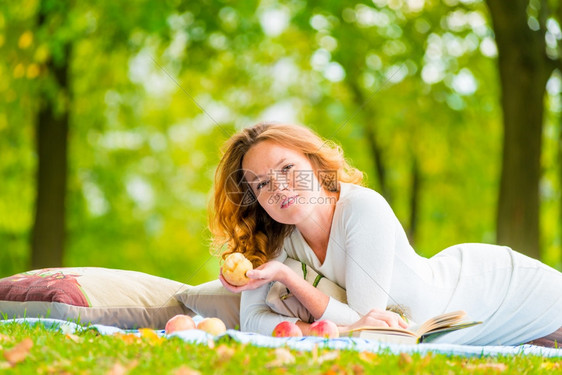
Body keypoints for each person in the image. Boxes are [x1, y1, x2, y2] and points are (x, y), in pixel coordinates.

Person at [210, 122, 562, 346]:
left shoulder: (361, 208)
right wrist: (323, 331)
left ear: (315, 165)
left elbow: (370, 323)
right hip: (461, 326)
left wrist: (289, 277)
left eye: (287, 168)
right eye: (262, 183)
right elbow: (254, 320)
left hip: (501, 288)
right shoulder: (271, 235)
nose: (280, 187)